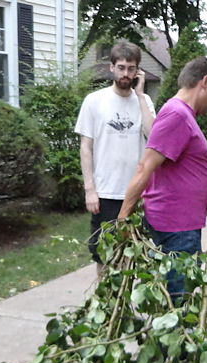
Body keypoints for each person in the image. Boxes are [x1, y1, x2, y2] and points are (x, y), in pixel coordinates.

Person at [117, 56, 207, 302]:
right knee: (176, 309)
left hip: (182, 227)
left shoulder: (183, 115)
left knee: (178, 307)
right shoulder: (177, 115)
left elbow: (195, 162)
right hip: (176, 231)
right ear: (204, 82)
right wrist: (123, 218)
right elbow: (145, 166)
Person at [75, 40, 156, 275]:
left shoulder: (145, 102)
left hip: (137, 193)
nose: (126, 73)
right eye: (121, 67)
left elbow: (153, 137)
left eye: (131, 68)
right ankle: (106, 307)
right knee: (104, 255)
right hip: (106, 193)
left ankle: (126, 309)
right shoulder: (94, 101)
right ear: (112, 67)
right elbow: (85, 147)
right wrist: (90, 189)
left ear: (138, 71)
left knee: (133, 254)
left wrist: (141, 96)